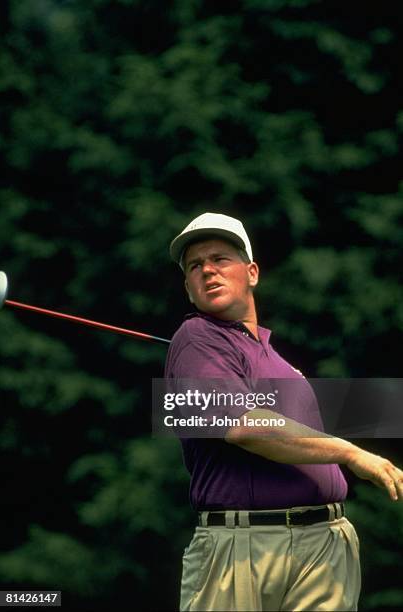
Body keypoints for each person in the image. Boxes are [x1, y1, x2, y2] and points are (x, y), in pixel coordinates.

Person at [164, 212, 403, 612]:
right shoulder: (195, 338)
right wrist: (351, 452)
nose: (207, 270)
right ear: (189, 289)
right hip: (243, 551)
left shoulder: (276, 360)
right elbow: (245, 428)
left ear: (251, 273)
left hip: (325, 547)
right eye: (194, 266)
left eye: (220, 259)